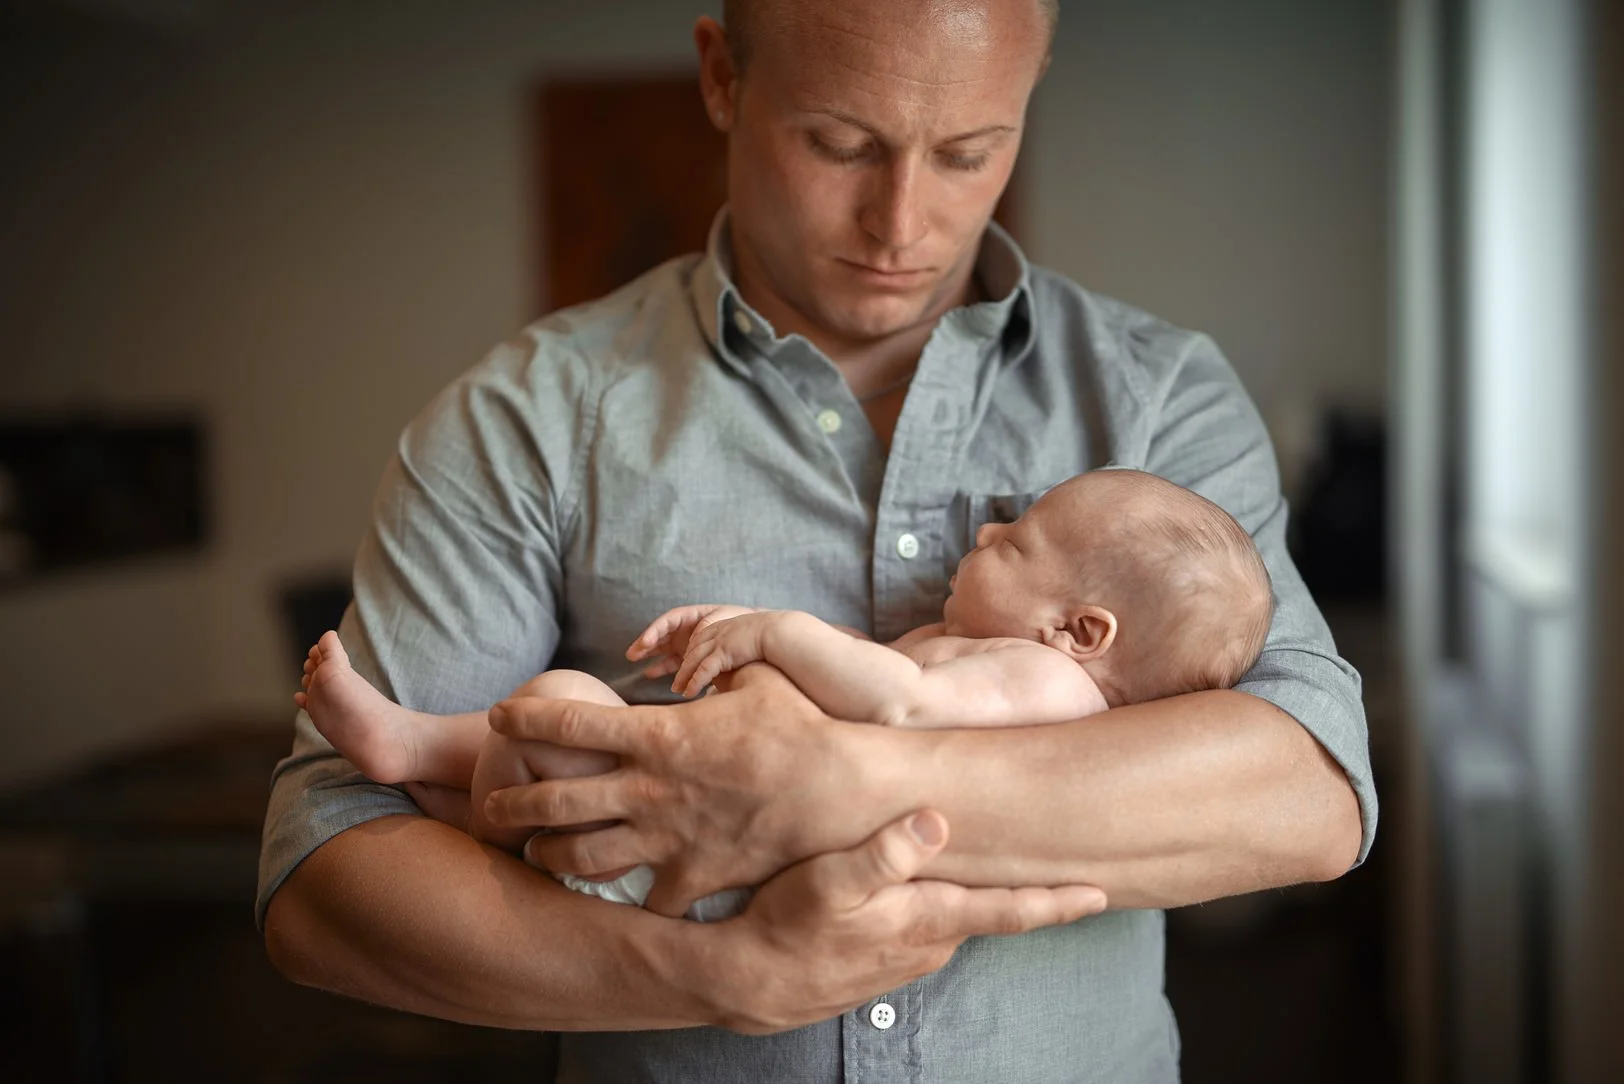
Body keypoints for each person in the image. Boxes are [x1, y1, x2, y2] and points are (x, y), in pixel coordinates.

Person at [260, 0, 1376, 1078]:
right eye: (841, 143)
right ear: (720, 78)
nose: (902, 221)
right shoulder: (527, 421)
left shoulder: (1159, 397)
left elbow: (1308, 795)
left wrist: (833, 786)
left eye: (968, 150)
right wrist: (712, 975)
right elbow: (322, 891)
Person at [293, 468, 1275, 922]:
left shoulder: (1051, 683)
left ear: (1081, 629)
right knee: (568, 721)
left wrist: (776, 633)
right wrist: (752, 630)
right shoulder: (992, 658)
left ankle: (424, 758)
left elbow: (900, 708)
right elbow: (878, 677)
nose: (983, 538)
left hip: (719, 867)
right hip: (708, 826)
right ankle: (426, 762)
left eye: (1014, 544)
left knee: (565, 701)